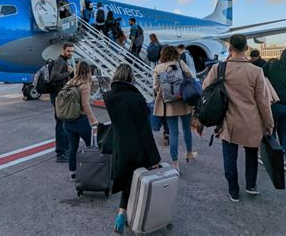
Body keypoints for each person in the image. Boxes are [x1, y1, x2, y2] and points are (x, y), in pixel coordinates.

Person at [203, 34, 274, 202]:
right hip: (252, 121)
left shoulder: (219, 68)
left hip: (228, 122)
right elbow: (263, 101)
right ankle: (251, 185)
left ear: (230, 49)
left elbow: (206, 88)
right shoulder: (256, 71)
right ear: (246, 49)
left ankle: (233, 190)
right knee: (251, 154)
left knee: (229, 157)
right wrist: (269, 123)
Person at [103, 64, 161, 234]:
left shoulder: (108, 97)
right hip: (137, 147)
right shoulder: (137, 98)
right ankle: (130, 214)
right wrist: (154, 158)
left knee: (127, 179)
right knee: (136, 181)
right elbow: (144, 130)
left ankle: (122, 212)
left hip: (120, 145)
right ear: (131, 78)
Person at [153, 45, 198, 172]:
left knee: (173, 133)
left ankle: (175, 163)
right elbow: (191, 78)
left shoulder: (158, 68)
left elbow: (156, 87)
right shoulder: (181, 63)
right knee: (186, 129)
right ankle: (189, 153)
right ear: (175, 54)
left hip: (168, 104)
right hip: (183, 101)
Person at [62, 61, 99, 180]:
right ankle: (92, 171)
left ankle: (73, 173)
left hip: (67, 120)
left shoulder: (70, 82)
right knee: (91, 146)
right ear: (88, 71)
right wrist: (93, 120)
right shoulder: (85, 85)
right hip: (80, 121)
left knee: (73, 147)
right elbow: (85, 105)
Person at [49, 43, 74, 162]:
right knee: (61, 124)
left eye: (72, 51)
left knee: (63, 123)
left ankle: (65, 149)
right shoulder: (60, 61)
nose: (70, 53)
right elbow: (54, 76)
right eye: (68, 51)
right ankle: (61, 153)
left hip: (60, 96)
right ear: (63, 50)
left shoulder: (64, 61)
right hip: (58, 97)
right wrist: (68, 73)